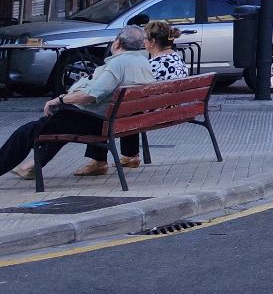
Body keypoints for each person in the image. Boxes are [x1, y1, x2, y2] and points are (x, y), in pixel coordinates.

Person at [1, 25, 156, 180]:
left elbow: (90, 96)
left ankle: (18, 165)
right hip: (115, 119)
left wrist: (59, 99)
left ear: (117, 43)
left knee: (28, 131)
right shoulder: (142, 61)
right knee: (58, 122)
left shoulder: (117, 64)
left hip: (98, 122)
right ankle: (34, 166)